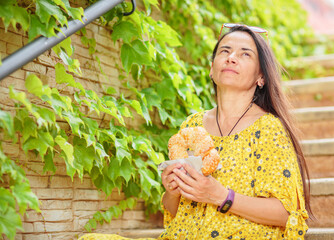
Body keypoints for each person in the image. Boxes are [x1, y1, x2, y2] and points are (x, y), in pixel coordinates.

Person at [79, 24, 313, 240]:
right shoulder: (192, 125)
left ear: (261, 77)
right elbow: (175, 211)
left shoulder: (269, 128)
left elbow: (285, 213)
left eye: (245, 54)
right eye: (225, 51)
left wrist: (221, 196)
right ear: (212, 69)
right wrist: (172, 190)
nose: (231, 58)